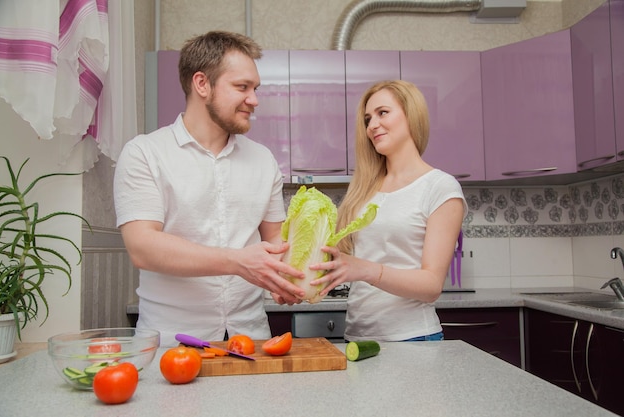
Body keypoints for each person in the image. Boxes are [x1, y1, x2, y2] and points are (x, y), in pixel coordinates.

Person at [113, 31, 304, 347]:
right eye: (242, 87)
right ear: (202, 84)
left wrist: (291, 274)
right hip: (170, 344)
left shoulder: (263, 160)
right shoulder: (145, 153)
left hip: (250, 339)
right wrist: (237, 261)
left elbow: (274, 238)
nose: (254, 99)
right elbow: (142, 247)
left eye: (255, 88)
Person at [309, 80, 467, 342]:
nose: (372, 125)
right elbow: (345, 261)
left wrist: (366, 270)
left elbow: (431, 286)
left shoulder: (440, 187)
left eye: (383, 113)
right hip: (358, 338)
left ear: (411, 114)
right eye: (368, 119)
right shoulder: (364, 190)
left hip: (412, 339)